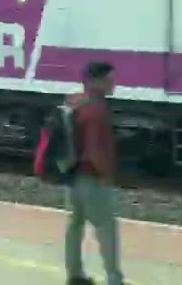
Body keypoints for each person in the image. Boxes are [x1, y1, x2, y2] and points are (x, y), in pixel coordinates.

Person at [65, 61, 125, 285]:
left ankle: (75, 274)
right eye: (109, 80)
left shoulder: (73, 102)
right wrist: (106, 175)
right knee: (106, 227)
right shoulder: (97, 110)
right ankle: (114, 279)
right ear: (94, 81)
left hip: (71, 176)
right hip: (92, 178)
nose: (113, 84)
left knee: (74, 225)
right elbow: (94, 150)